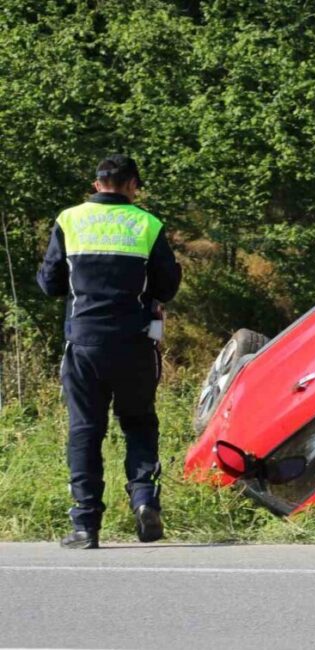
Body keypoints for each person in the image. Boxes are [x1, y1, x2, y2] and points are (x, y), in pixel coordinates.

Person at [36, 154, 182, 549]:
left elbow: (49, 284)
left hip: (84, 342)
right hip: (134, 342)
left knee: (85, 431)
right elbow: (168, 286)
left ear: (97, 182)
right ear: (133, 184)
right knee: (139, 424)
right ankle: (144, 501)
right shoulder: (147, 224)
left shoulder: (70, 220)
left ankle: (86, 525)